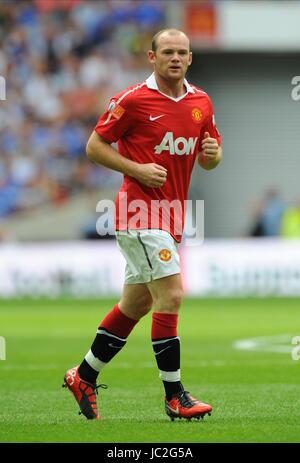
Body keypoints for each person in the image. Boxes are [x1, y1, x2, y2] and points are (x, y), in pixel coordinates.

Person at [62, 29, 222, 421]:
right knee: (172, 295)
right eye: (167, 52)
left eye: (182, 52)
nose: (175, 58)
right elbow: (94, 146)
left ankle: (83, 376)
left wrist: (214, 154)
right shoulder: (133, 100)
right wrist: (136, 168)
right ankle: (175, 396)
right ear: (152, 57)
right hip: (138, 214)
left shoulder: (201, 101)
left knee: (135, 304)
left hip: (172, 217)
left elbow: (208, 159)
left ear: (189, 58)